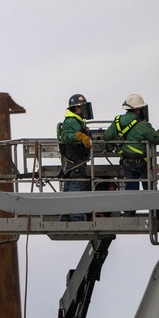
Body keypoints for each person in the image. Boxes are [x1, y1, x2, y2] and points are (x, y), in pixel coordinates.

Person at [103, 93, 159, 192]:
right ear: (137, 109)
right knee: (151, 192)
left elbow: (106, 136)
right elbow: (156, 139)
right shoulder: (143, 125)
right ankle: (155, 207)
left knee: (131, 193)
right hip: (143, 163)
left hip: (127, 162)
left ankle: (130, 207)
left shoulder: (118, 121)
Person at [57, 93, 93, 222]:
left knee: (68, 189)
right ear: (77, 109)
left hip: (73, 161)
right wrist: (79, 136)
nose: (84, 111)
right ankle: (77, 218)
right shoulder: (72, 121)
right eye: (82, 108)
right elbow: (66, 136)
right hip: (75, 162)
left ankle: (65, 216)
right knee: (77, 189)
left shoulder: (76, 121)